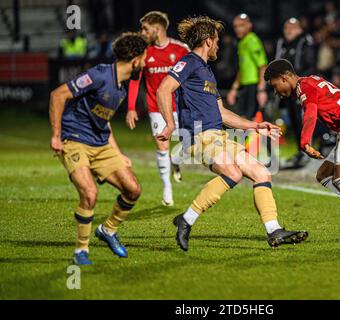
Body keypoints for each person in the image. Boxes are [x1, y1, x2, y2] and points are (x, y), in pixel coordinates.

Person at [156, 16, 308, 251]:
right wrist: (168, 124)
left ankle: (274, 231)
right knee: (233, 173)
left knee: (261, 173)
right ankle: (187, 220)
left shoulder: (206, 72)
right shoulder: (188, 62)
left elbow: (223, 114)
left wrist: (257, 126)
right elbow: (164, 88)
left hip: (219, 136)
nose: (218, 45)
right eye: (216, 41)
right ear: (208, 41)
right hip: (198, 135)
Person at [49, 33, 148, 265]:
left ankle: (108, 230)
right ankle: (81, 251)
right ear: (135, 61)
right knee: (90, 194)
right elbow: (58, 95)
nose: (145, 64)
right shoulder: (100, 75)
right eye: (144, 59)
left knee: (133, 189)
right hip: (74, 139)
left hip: (101, 145)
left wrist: (118, 153)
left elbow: (104, 121)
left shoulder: (121, 87)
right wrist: (56, 136)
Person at [265, 59, 340, 246]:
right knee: (324, 174)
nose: (276, 91)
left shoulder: (303, 87)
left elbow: (310, 113)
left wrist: (304, 142)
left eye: (275, 85)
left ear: (284, 77)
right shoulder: (311, 80)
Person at [126, 11, 189, 206]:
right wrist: (131, 107)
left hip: (180, 106)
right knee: (162, 145)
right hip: (156, 109)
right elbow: (136, 80)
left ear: (157, 29)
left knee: (188, 145)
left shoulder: (180, 50)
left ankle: (176, 159)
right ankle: (167, 188)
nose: (142, 32)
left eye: (145, 28)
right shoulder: (145, 52)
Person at [275, 17, 317, 168]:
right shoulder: (282, 43)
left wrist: (297, 82)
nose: (288, 31)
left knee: (304, 120)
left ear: (299, 29)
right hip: (287, 90)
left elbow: (310, 65)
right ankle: (301, 152)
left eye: (292, 28)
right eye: (286, 28)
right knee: (294, 122)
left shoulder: (305, 41)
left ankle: (307, 151)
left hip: (301, 87)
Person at [226, 14, 268, 119]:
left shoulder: (252, 41)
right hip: (245, 86)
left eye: (241, 25)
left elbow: (263, 66)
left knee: (252, 119)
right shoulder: (242, 42)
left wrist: (261, 89)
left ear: (249, 25)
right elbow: (242, 68)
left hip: (254, 85)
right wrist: (234, 88)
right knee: (242, 117)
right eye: (235, 26)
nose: (237, 29)